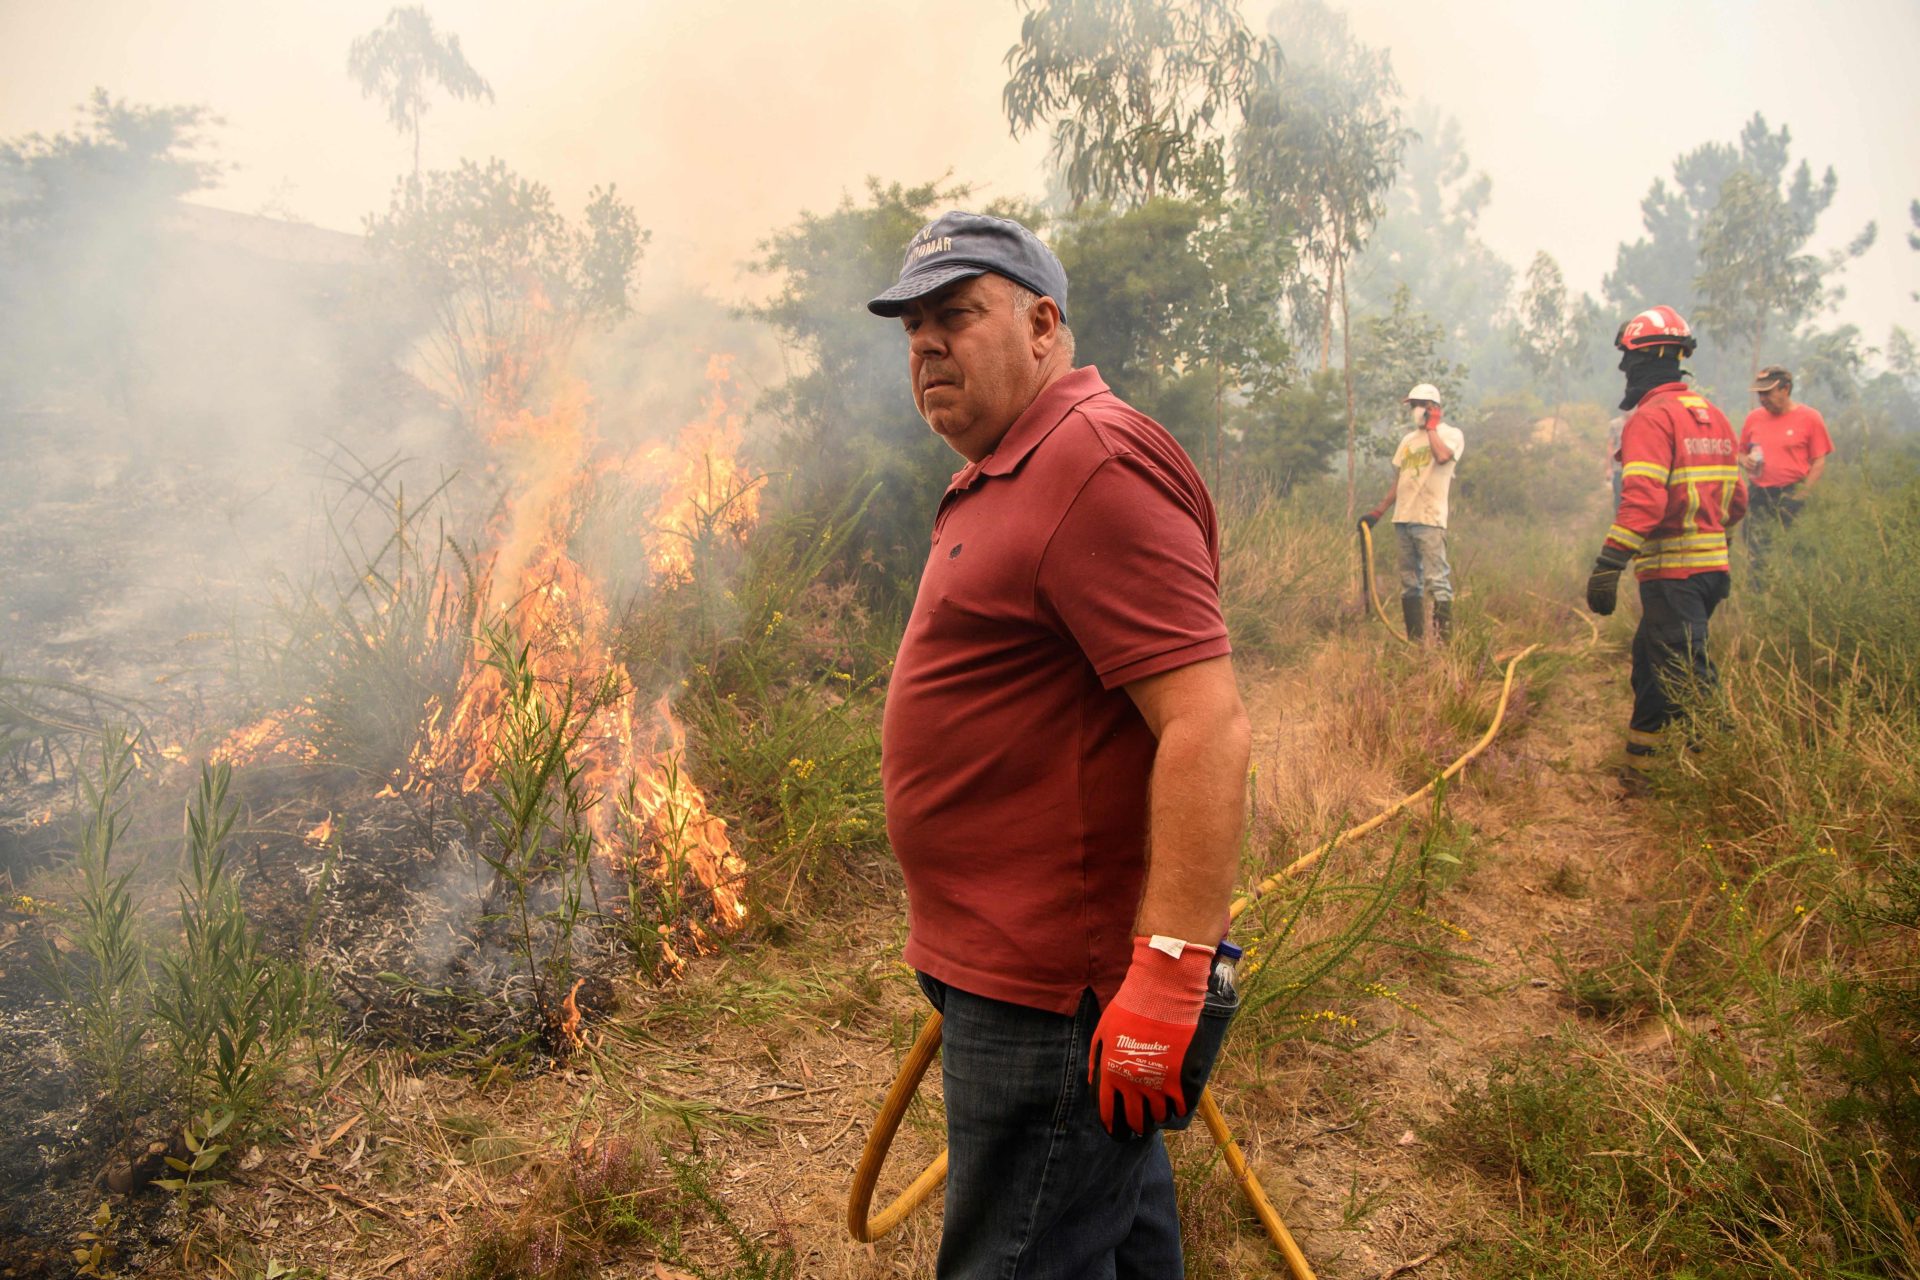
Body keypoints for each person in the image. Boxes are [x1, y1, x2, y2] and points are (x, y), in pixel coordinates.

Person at [867, 210, 1252, 1277]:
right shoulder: (1012, 462)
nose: (927, 344)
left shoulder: (1092, 463)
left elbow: (1206, 723)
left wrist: (1169, 973)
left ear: (1043, 324)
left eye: (957, 314)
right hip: (1010, 973)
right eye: (912, 327)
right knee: (1115, 1242)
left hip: (1053, 998)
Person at [1585, 306, 1746, 790]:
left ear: (1647, 358)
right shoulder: (1712, 415)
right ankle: (1642, 772)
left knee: (1688, 679)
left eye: (1627, 359)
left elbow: (1643, 503)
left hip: (1673, 575)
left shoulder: (1651, 420)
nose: (1623, 370)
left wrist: (1607, 565)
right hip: (1710, 571)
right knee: (1652, 667)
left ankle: (1730, 777)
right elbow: (1737, 501)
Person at [1360, 383, 1466, 643]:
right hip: (1403, 519)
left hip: (1429, 520)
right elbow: (1401, 480)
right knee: (1409, 583)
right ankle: (1416, 645)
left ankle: (1443, 648)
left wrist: (1432, 428)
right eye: (1412, 406)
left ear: (1433, 408)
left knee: (1437, 581)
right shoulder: (1407, 441)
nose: (1414, 410)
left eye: (1419, 405)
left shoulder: (1451, 435)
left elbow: (1442, 457)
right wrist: (1378, 512)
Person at [1738, 364, 1832, 574]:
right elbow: (1740, 452)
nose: (1763, 398)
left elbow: (1819, 461)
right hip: (1760, 494)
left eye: (1767, 393)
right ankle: (1760, 597)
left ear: (1785, 389)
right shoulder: (1754, 418)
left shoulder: (1810, 418)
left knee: (1795, 553)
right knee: (1757, 553)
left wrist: (1802, 494)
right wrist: (1745, 461)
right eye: (1760, 394)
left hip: (1792, 494)